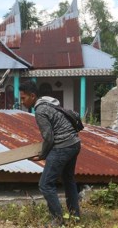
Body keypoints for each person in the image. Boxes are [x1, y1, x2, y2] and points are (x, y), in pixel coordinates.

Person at [19, 80, 81, 226]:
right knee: (68, 180)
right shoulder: (48, 103)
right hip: (74, 143)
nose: (22, 102)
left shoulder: (40, 110)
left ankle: (58, 220)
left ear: (32, 96)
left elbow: (48, 137)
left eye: (23, 98)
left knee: (45, 184)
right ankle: (75, 217)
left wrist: (42, 155)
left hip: (63, 146)